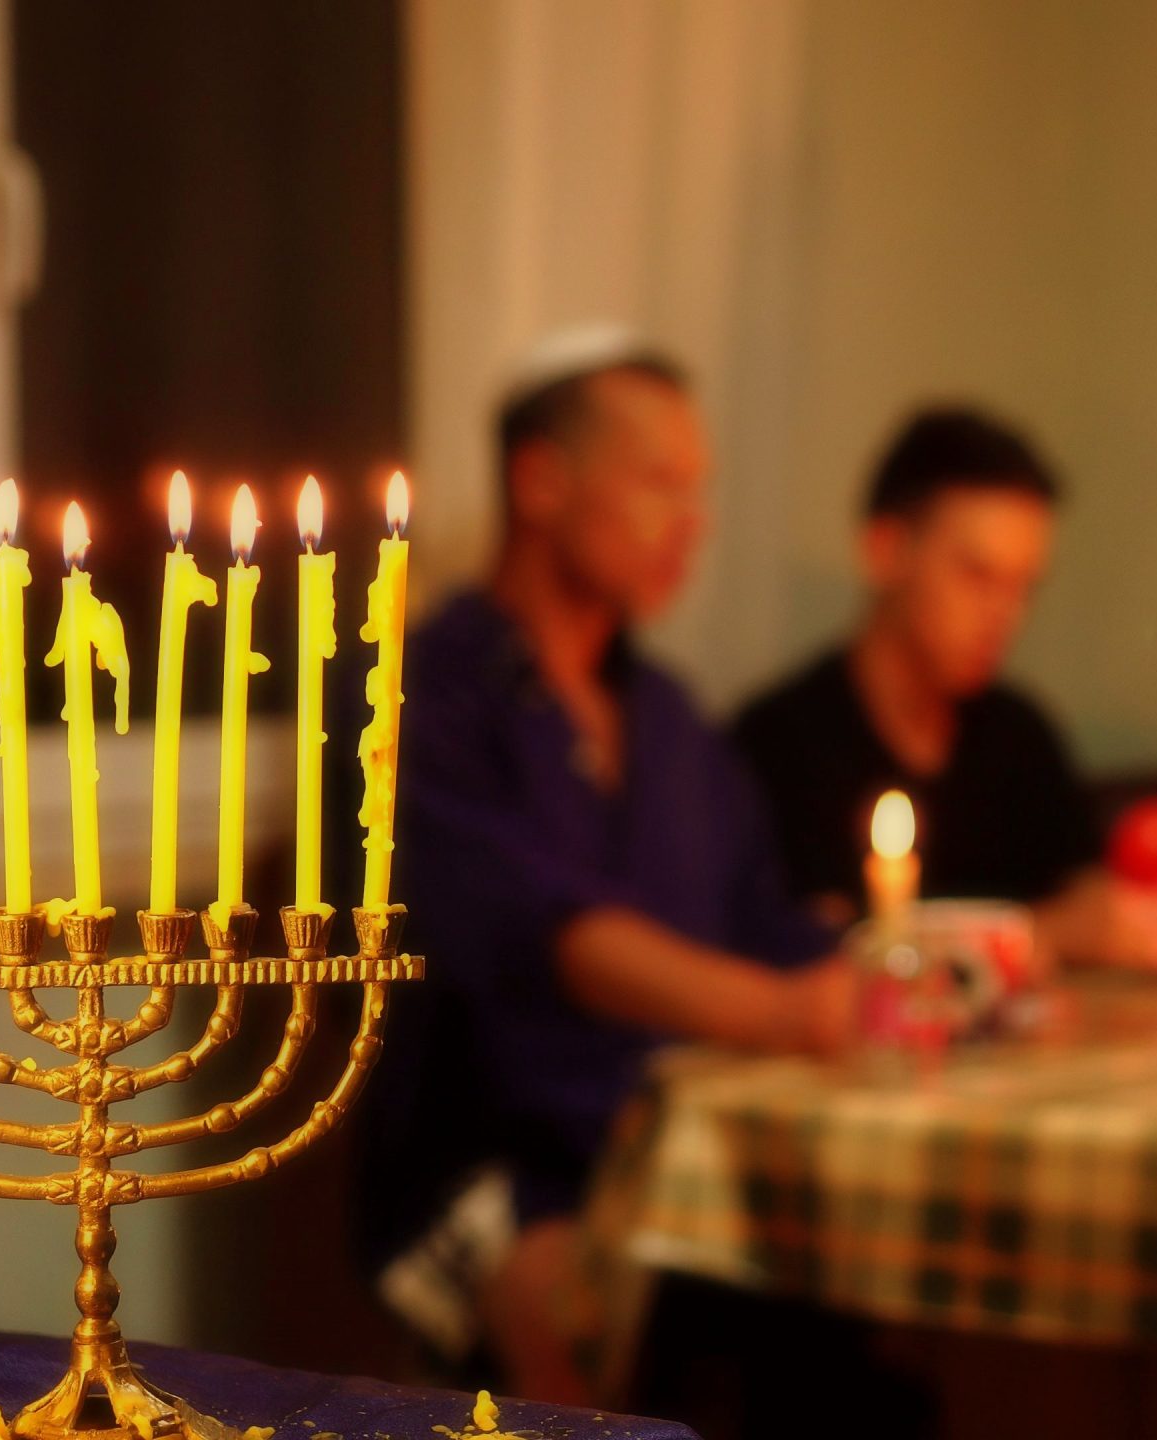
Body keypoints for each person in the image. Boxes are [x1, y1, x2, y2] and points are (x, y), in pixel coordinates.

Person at [357, 325, 850, 1399]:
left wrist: (910, 972)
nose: (693, 522)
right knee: (576, 1315)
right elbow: (549, 933)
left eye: (698, 490)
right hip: (494, 1164)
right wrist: (780, 1012)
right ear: (541, 482)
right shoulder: (431, 695)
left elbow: (763, 920)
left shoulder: (669, 718)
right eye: (660, 484)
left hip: (682, 1158)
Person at [732, 404, 1157, 967]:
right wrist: (1037, 933)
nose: (1005, 615)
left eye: (1024, 587)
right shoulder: (773, 750)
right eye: (977, 575)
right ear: (885, 551)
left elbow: (1086, 890)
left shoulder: (1020, 736)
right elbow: (796, 958)